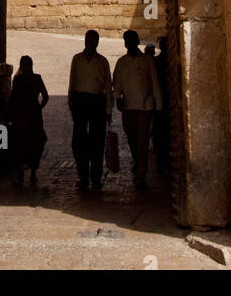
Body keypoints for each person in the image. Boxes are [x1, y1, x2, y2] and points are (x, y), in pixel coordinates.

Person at [114, 28, 161, 189]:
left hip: (144, 107)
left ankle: (141, 174)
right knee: (132, 141)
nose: (129, 43)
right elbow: (117, 83)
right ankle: (138, 165)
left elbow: (155, 83)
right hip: (128, 107)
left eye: (131, 40)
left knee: (142, 141)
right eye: (127, 41)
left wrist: (158, 105)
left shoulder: (147, 61)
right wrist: (117, 98)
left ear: (136, 41)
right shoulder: (121, 62)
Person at [67, 29, 113, 191]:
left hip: (96, 102)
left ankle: (96, 177)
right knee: (78, 140)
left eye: (93, 41)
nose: (90, 43)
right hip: (80, 101)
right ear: (85, 41)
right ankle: (83, 175)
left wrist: (108, 110)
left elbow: (108, 86)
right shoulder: (77, 60)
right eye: (88, 40)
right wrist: (70, 102)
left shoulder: (103, 62)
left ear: (97, 43)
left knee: (97, 140)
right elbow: (72, 81)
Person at [7, 54, 49, 187]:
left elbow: (13, 98)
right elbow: (46, 96)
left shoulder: (18, 79)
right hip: (34, 116)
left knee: (20, 144)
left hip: (21, 116)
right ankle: (33, 173)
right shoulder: (37, 78)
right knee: (36, 143)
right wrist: (39, 108)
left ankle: (20, 173)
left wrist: (10, 115)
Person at [146, 38, 170, 175]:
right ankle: (163, 162)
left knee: (159, 134)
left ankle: (162, 162)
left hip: (160, 105)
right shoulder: (159, 62)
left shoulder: (156, 62)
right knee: (162, 133)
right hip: (162, 104)